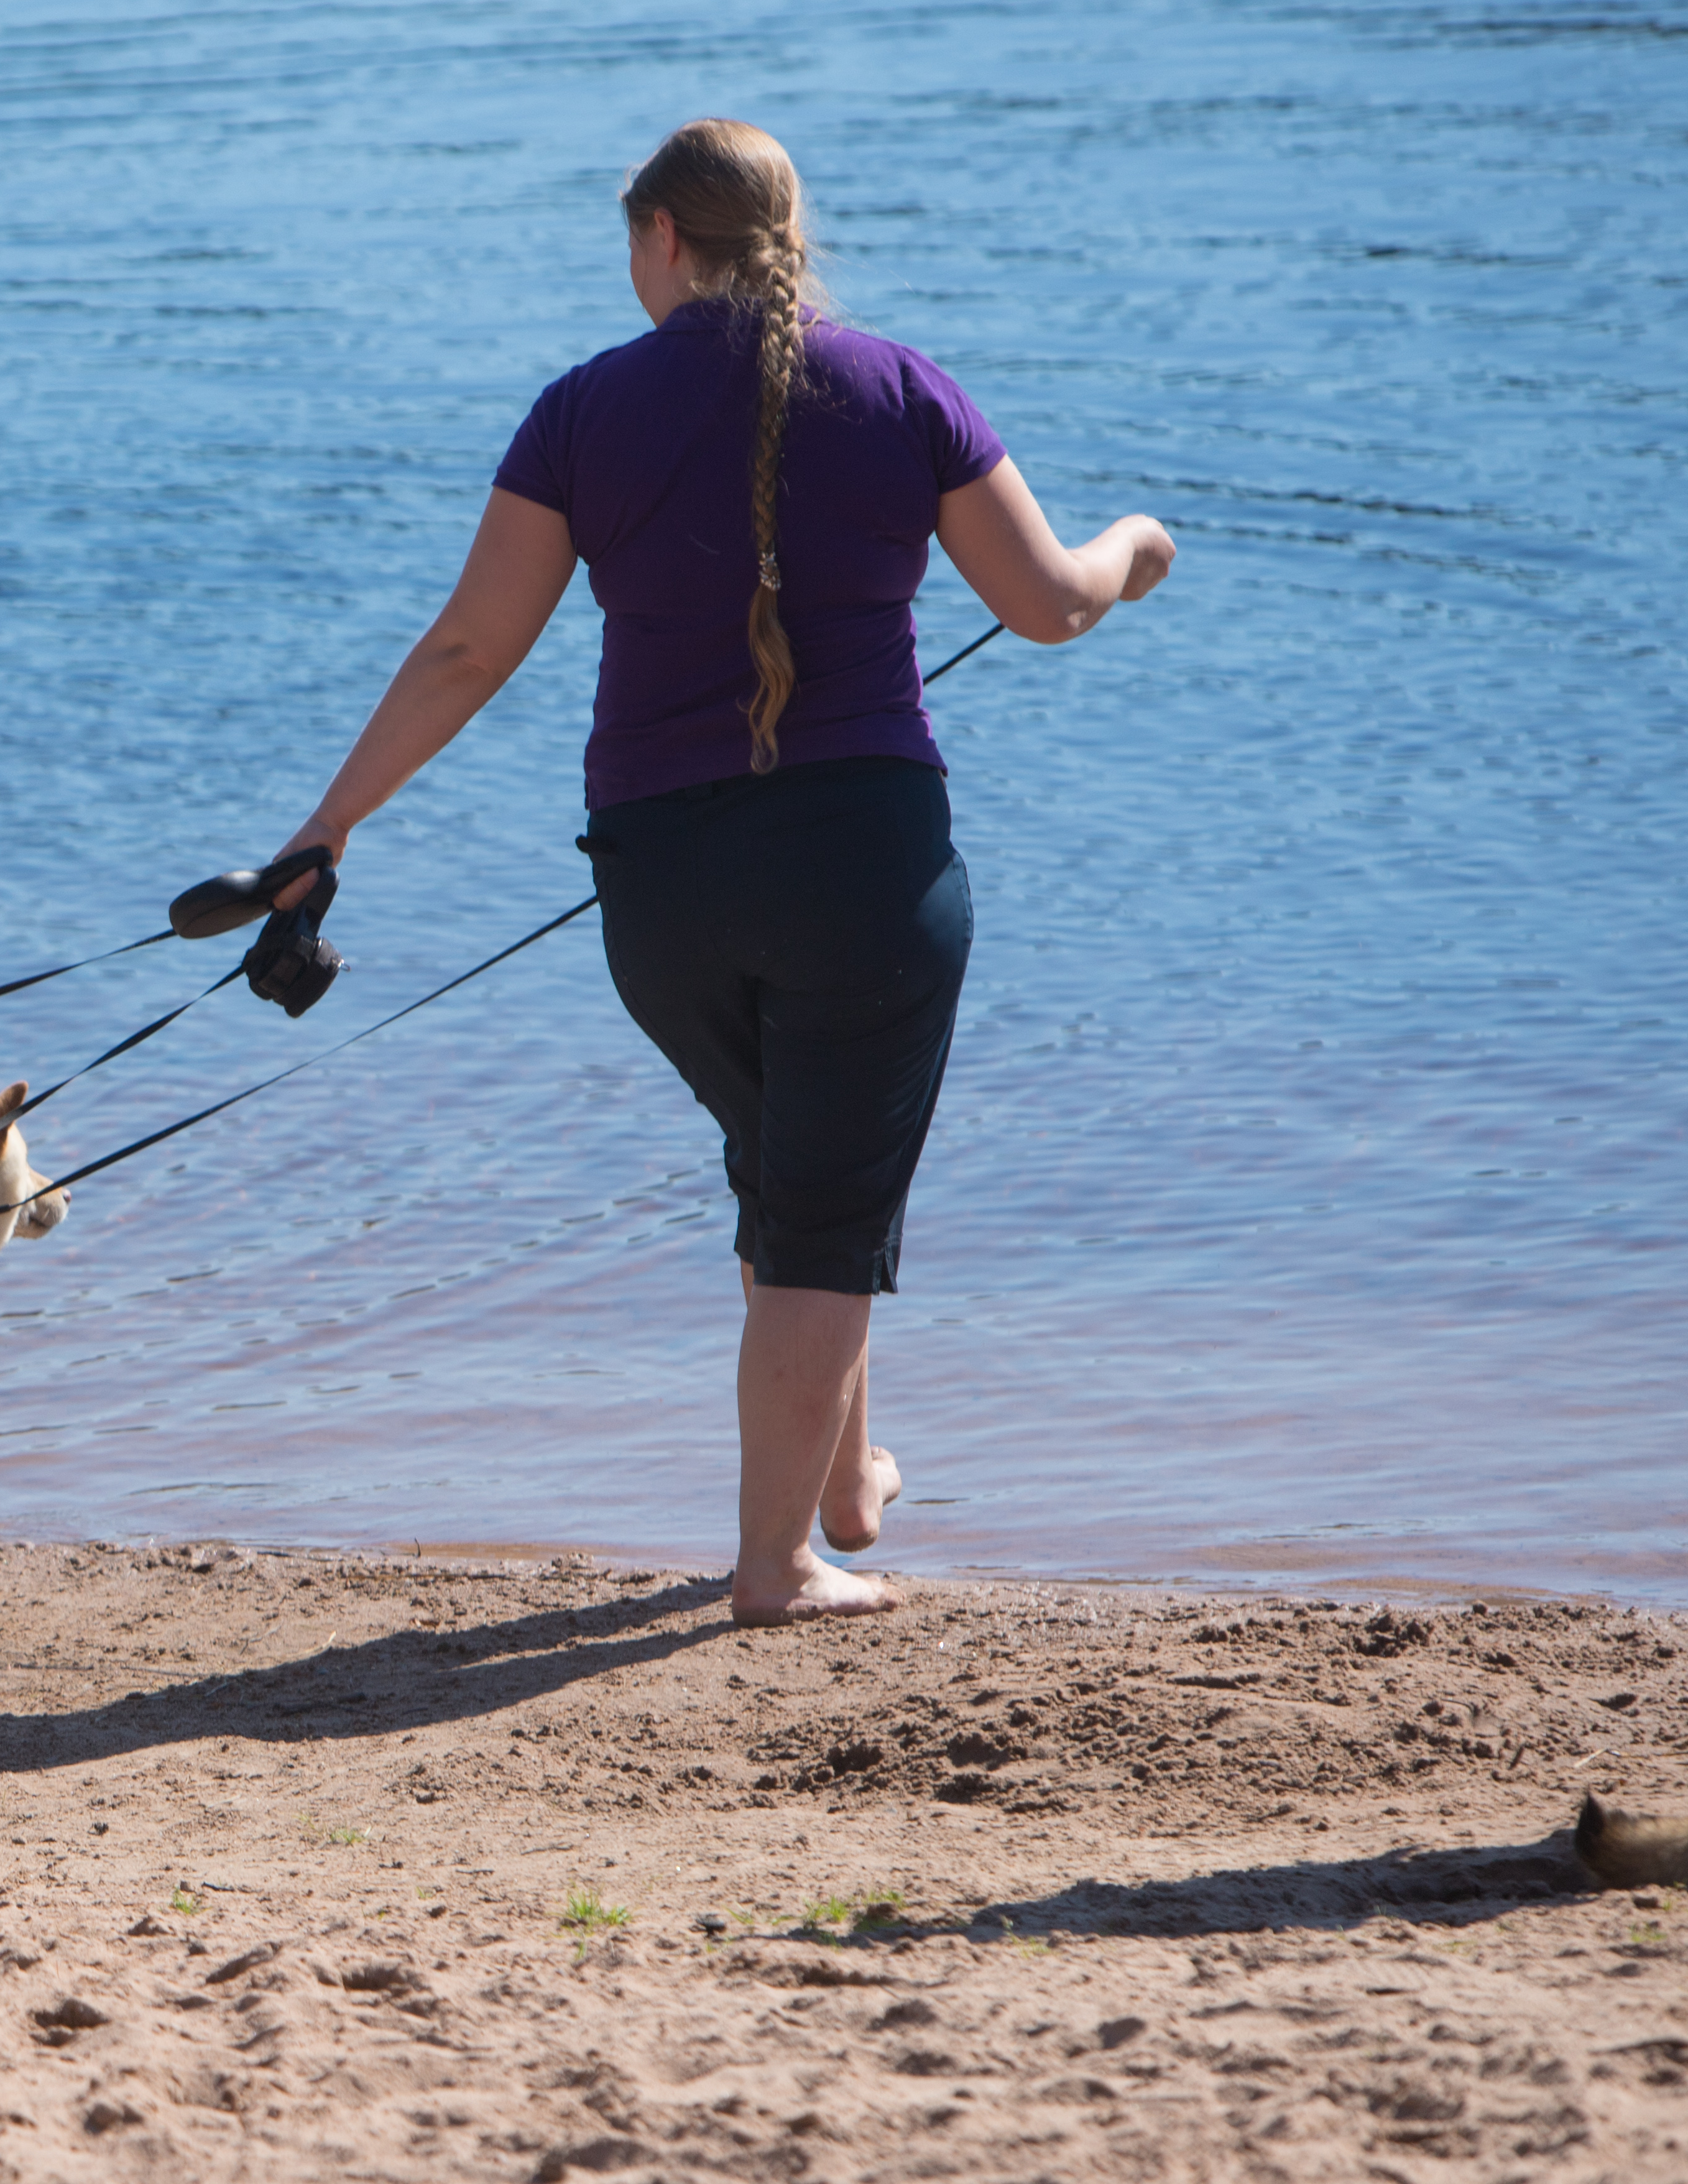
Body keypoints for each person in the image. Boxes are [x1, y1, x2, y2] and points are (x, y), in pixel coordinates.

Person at [270, 119, 1174, 1626]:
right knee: (820, 1199)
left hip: (661, 890)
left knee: (796, 1163)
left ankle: (838, 1481)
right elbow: (1047, 603)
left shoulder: (578, 412)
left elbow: (466, 650)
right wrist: (1134, 544)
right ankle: (777, 1567)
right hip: (864, 877)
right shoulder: (898, 386)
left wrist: (326, 831)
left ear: (662, 243)